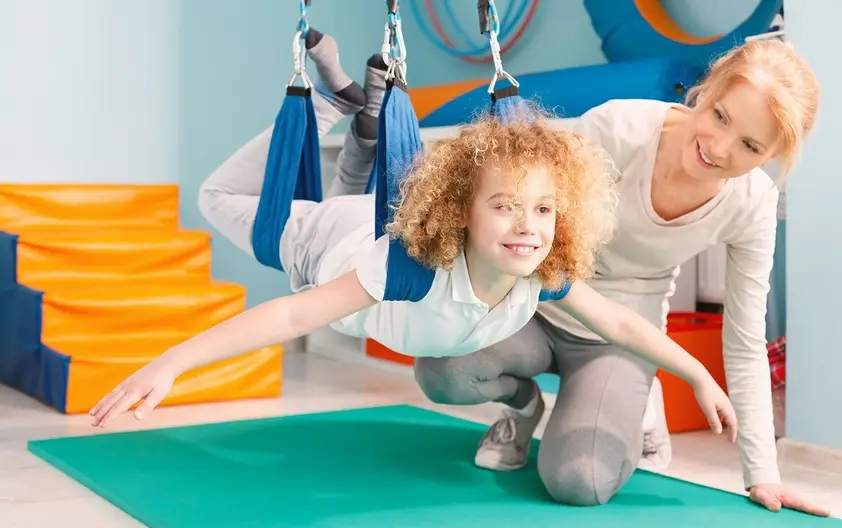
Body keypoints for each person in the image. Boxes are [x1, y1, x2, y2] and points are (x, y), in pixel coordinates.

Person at [88, 31, 737, 440]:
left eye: (543, 210)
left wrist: (699, 378)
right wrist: (172, 361)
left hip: (369, 221)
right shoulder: (403, 269)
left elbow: (623, 327)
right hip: (323, 247)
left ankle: (356, 117)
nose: (527, 227)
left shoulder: (540, 270)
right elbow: (289, 312)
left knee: (358, 197)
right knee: (223, 199)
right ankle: (332, 106)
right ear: (461, 211)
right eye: (506, 207)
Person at [413, 39, 830, 517]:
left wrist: (763, 475)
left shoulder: (752, 205)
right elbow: (527, 227)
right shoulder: (619, 127)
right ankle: (524, 406)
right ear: (708, 89)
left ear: (772, 156)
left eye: (750, 145)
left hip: (621, 339)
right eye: (720, 116)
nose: (719, 147)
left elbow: (744, 338)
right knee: (442, 371)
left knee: (578, 482)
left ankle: (636, 402)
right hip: (535, 307)